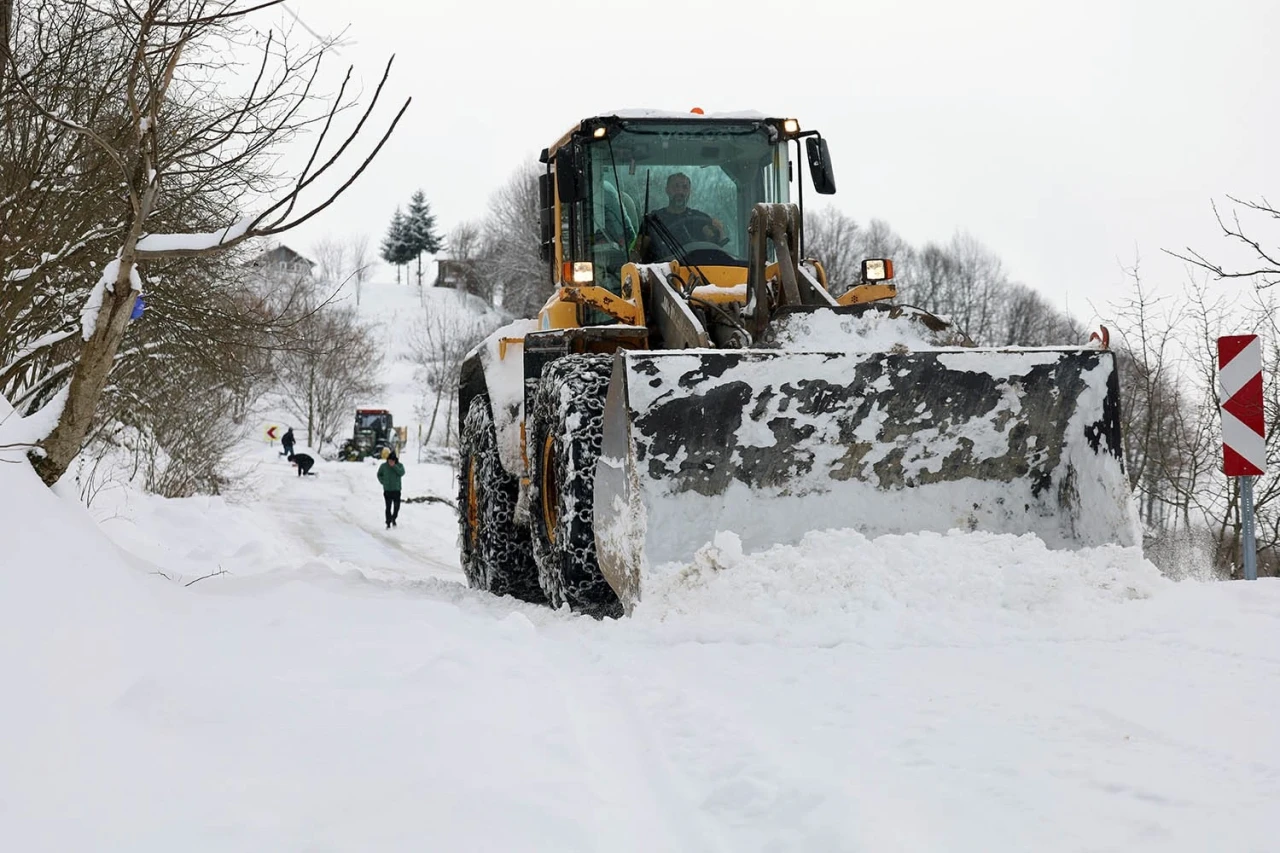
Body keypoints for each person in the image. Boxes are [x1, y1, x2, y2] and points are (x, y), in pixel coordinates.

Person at [637, 172, 726, 260]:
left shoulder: (702, 221)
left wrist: (719, 232)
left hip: (699, 272)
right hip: (659, 272)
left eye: (685, 187)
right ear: (667, 190)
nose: (680, 191)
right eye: (676, 186)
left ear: (690, 192)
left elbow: (716, 251)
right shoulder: (653, 221)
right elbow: (637, 254)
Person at [377, 451, 405, 529]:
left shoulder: (399, 465)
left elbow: (401, 473)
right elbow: (379, 474)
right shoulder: (383, 466)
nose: (390, 462)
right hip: (387, 490)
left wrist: (394, 466)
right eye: (389, 461)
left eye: (392, 461)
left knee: (397, 507)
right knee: (388, 507)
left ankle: (394, 518)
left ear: (395, 460)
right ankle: (388, 522)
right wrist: (383, 481)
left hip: (396, 490)